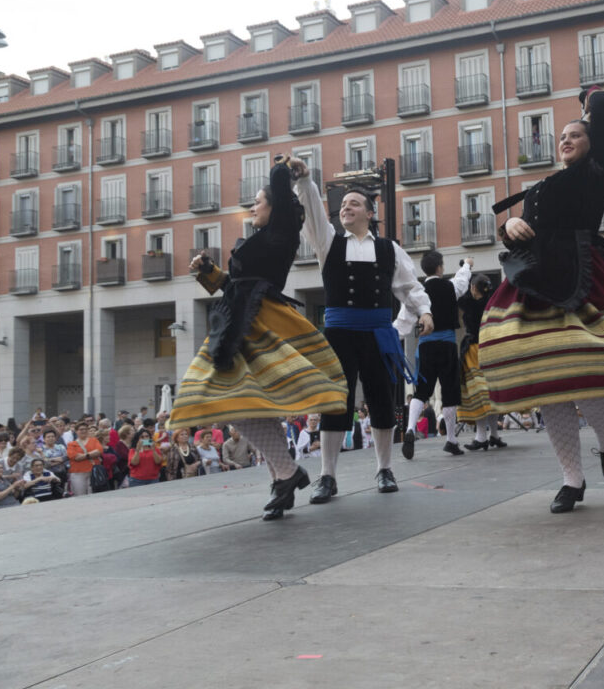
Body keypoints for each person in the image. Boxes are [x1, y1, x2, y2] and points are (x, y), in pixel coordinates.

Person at [480, 86, 604, 513]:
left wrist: (590, 100)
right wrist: (510, 229)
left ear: (592, 142)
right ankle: (572, 479)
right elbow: (519, 230)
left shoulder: (599, 170)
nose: (566, 140)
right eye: (562, 136)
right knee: (552, 383)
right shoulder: (541, 186)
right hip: (538, 280)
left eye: (575, 134)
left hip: (582, 274)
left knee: (584, 371)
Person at [170, 156, 348, 520]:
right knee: (251, 406)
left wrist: (284, 170)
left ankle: (286, 473)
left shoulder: (282, 230)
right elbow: (234, 286)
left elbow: (251, 284)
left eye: (259, 200)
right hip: (239, 323)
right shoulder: (263, 238)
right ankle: (282, 481)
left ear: (276, 205)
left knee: (229, 402)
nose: (253, 206)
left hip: (256, 326)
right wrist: (209, 272)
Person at [293, 159, 432, 503]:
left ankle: (385, 469)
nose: (346, 208)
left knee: (382, 401)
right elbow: (312, 212)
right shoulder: (328, 242)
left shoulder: (389, 248)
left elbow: (409, 287)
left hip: (378, 334)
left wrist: (424, 312)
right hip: (339, 334)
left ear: (370, 213)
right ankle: (327, 476)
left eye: (353, 203)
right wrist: (306, 180)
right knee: (334, 403)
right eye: (342, 205)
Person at [396, 252, 474, 457]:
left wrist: (391, 337)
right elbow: (462, 280)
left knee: (421, 390)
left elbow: (403, 320)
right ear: (440, 267)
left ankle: (410, 428)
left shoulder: (417, 292)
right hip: (447, 344)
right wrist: (466, 265)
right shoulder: (450, 287)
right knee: (449, 392)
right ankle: (450, 439)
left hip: (426, 346)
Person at [457, 273, 505, 451]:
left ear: (473, 287)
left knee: (478, 394)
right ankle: (493, 434)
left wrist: (466, 270)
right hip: (489, 348)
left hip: (473, 350)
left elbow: (460, 296)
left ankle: (481, 436)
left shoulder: (467, 303)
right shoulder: (491, 303)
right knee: (490, 393)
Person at [65, 423, 103, 496]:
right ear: (76, 431)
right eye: (81, 429)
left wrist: (85, 455)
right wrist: (91, 454)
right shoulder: (71, 444)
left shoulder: (94, 440)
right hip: (78, 473)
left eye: (86, 429)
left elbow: (99, 451)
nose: (84, 431)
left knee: (93, 494)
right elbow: (75, 457)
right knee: (80, 495)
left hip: (93, 471)